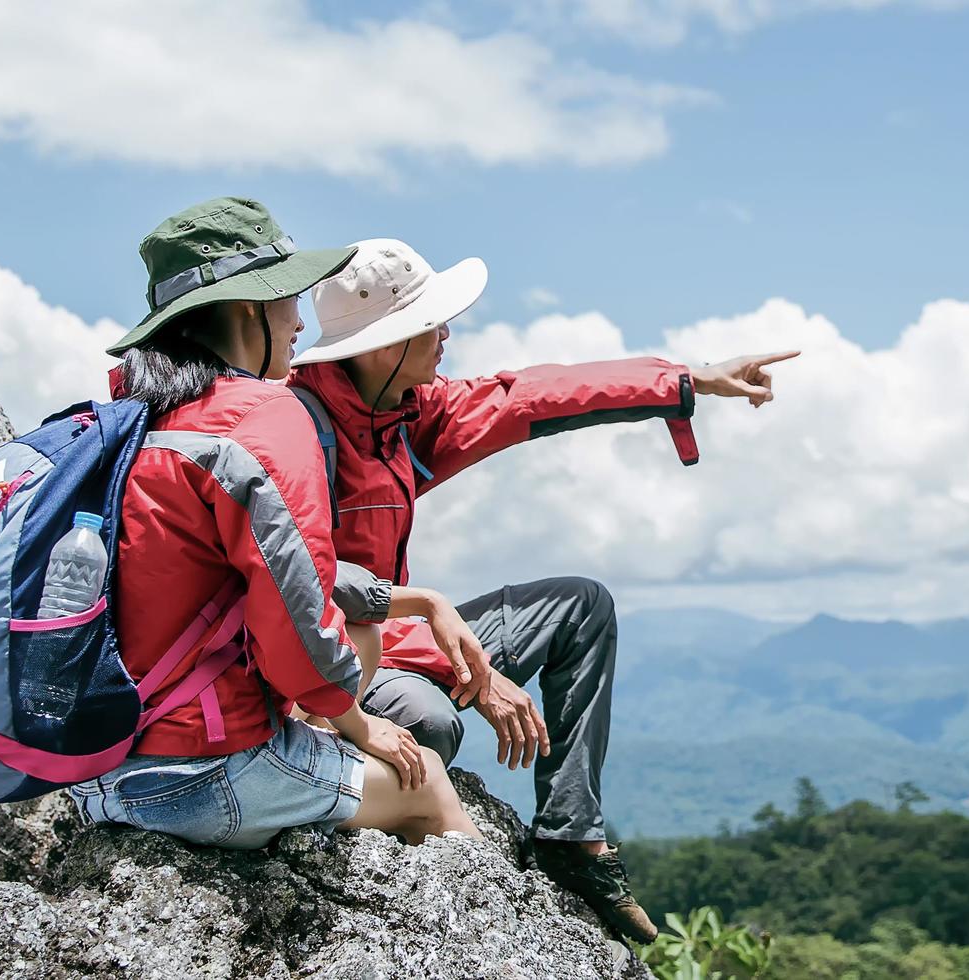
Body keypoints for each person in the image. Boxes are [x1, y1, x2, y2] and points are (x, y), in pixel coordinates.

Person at [287, 238, 796, 940]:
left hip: (403, 636)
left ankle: (570, 838)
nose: (446, 338)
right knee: (432, 726)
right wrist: (473, 668)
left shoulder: (406, 416)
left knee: (580, 607)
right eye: (432, 325)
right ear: (384, 345)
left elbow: (531, 395)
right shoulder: (298, 434)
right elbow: (305, 591)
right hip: (339, 659)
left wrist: (688, 380)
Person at [68, 198, 477, 849]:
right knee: (427, 782)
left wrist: (404, 600)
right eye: (288, 297)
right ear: (245, 309)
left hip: (92, 774)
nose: (298, 321)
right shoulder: (262, 415)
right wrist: (359, 725)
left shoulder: (131, 420)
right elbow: (298, 626)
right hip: (203, 776)